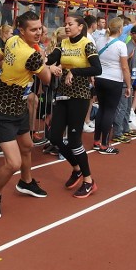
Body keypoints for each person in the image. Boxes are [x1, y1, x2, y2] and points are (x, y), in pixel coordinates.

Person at [0, 11, 55, 218]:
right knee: (13, 163)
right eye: (33, 29)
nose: (38, 32)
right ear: (21, 30)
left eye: (40, 28)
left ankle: (26, 182)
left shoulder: (12, 40)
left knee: (27, 146)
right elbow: (48, 78)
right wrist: (45, 62)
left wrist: (13, 70)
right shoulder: (31, 54)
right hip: (2, 111)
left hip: (20, 108)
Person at [47, 14, 102, 197]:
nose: (67, 27)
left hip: (79, 96)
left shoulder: (87, 44)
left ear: (80, 27)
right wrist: (44, 63)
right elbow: (50, 60)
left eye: (70, 24)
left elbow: (97, 69)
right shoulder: (63, 44)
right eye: (66, 24)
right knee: (54, 136)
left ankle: (88, 180)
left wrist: (74, 71)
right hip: (63, 94)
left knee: (74, 140)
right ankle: (76, 168)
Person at [92, 17, 131, 153]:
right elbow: (125, 68)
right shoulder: (121, 45)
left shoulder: (99, 41)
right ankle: (104, 144)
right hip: (114, 80)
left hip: (100, 78)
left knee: (102, 109)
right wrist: (129, 86)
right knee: (110, 110)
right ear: (120, 29)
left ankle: (97, 140)